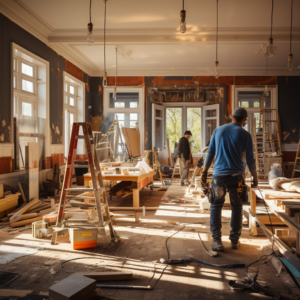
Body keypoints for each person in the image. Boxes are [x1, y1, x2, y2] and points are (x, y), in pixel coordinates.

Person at [201, 107, 258, 251]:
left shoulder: (218, 131)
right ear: (244, 119)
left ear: (232, 116)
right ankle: (234, 240)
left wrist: (204, 170)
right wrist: (255, 176)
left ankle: (216, 241)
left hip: (218, 176)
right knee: (237, 207)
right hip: (237, 177)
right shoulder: (245, 135)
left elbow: (210, 152)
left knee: (215, 206)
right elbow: (250, 160)